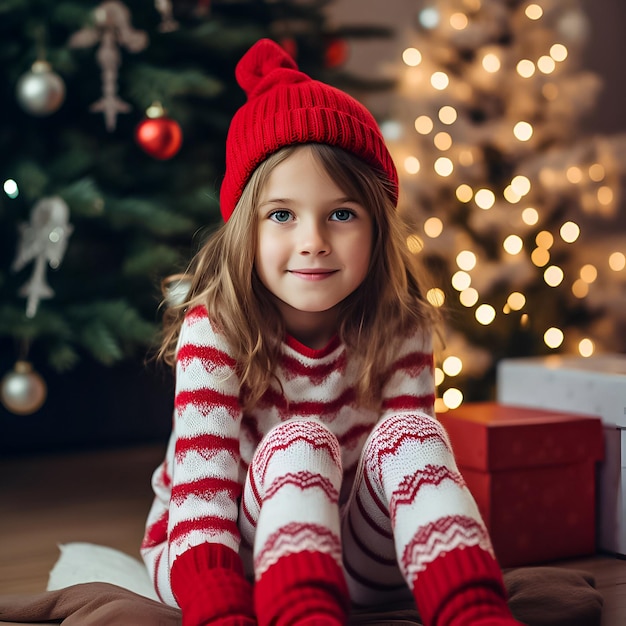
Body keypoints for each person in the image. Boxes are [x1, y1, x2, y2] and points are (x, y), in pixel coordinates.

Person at [141, 38, 524, 626]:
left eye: (341, 214)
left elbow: (404, 487)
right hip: (217, 554)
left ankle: (476, 614)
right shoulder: (214, 330)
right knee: (300, 441)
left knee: (414, 434)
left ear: (376, 226)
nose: (313, 239)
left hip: (351, 554)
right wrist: (218, 609)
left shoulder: (402, 325)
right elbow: (202, 504)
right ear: (246, 226)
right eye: (282, 214)